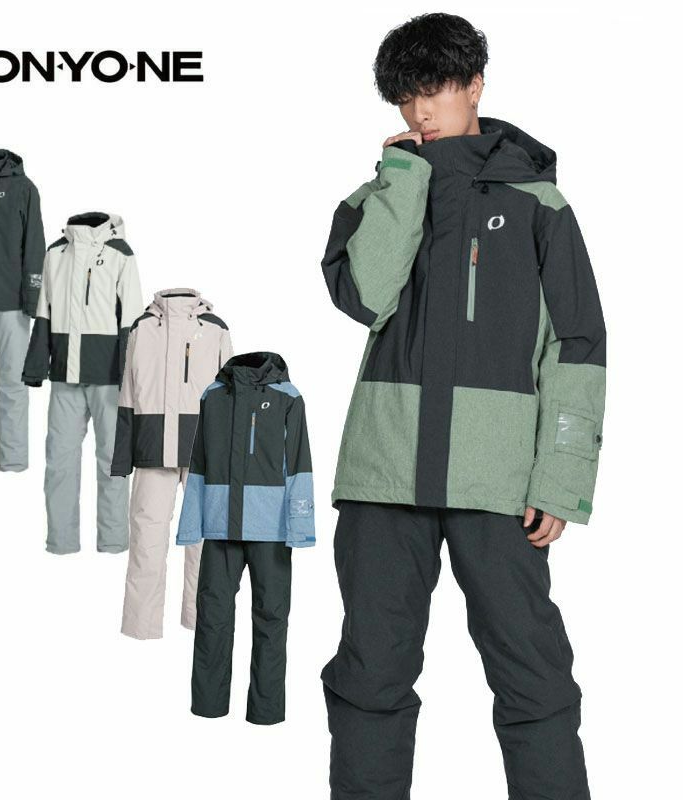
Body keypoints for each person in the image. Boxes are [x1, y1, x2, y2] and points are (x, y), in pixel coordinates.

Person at [320, 12, 605, 800]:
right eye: (406, 96)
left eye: (435, 89)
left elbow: (578, 346)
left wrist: (561, 479)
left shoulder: (540, 206)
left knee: (532, 671)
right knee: (370, 672)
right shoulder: (377, 197)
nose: (420, 110)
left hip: (498, 481)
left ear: (474, 85)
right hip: (385, 474)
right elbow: (364, 294)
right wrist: (403, 179)